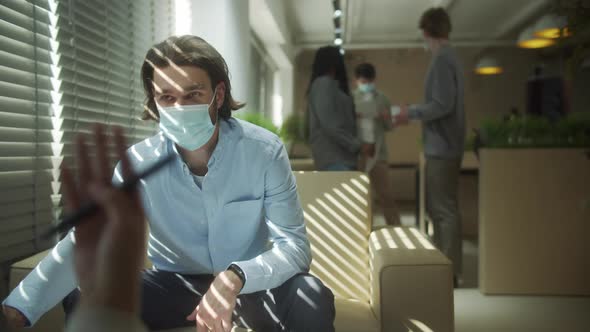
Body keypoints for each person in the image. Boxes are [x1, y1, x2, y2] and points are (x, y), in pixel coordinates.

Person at [2, 35, 335, 332]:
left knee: (311, 295)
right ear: (154, 102)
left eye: (192, 95)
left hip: (250, 285)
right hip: (176, 287)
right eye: (167, 97)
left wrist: (236, 276)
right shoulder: (138, 163)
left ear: (218, 95)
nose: (180, 107)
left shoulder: (264, 150)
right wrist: (20, 306)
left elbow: (294, 246)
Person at [393, 7, 466, 285]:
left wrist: (408, 112)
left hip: (443, 147)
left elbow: (442, 104)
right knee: (441, 209)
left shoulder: (442, 60)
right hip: (446, 145)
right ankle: (445, 267)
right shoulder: (450, 58)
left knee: (443, 210)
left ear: (426, 31)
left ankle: (448, 272)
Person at [352, 63, 401, 226]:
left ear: (374, 79)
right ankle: (364, 230)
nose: (366, 85)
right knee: (361, 196)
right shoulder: (350, 98)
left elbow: (390, 127)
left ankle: (395, 229)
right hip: (358, 153)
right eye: (363, 81)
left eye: (368, 81)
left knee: (385, 194)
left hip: (378, 153)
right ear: (356, 80)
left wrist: (386, 117)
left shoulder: (382, 98)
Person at [307, 46, 364, 171]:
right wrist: (356, 145)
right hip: (335, 158)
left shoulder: (330, 86)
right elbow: (330, 124)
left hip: (340, 158)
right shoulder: (323, 84)